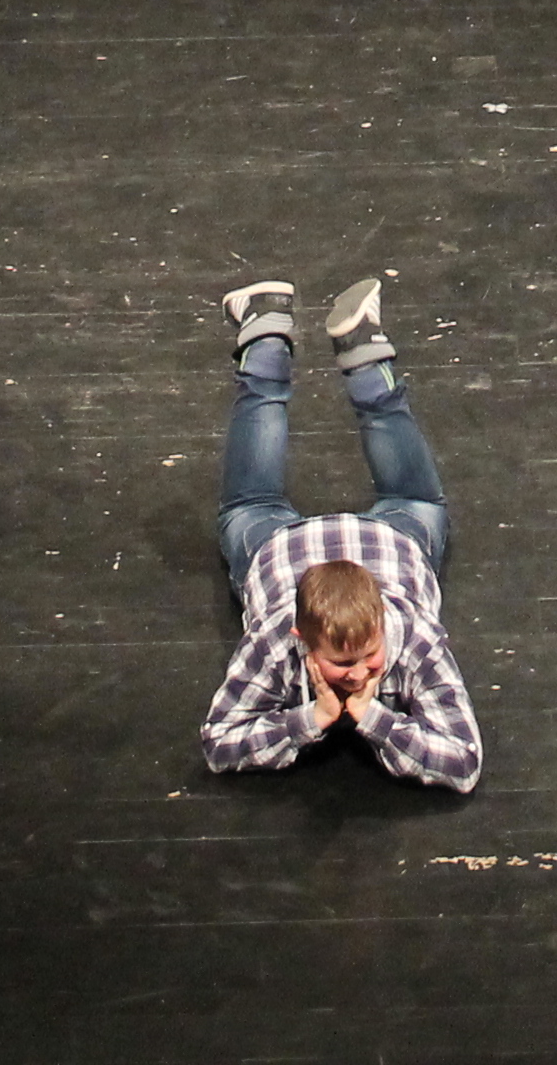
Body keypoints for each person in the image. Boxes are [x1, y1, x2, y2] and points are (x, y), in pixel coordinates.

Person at [198, 277, 483, 792]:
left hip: (362, 543)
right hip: (320, 545)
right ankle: (354, 353)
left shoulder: (410, 638)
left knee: (254, 504)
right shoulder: (274, 641)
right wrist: (309, 720)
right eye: (341, 662)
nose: (357, 674)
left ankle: (270, 334)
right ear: (299, 636)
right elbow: (217, 745)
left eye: (367, 655)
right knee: (406, 498)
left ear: (383, 622)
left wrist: (373, 719)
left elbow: (465, 763)